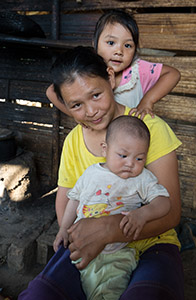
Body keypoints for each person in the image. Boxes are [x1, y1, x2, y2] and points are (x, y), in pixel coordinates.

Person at [18, 46, 184, 300]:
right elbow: (66, 197)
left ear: (110, 76)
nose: (91, 111)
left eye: (96, 95)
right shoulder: (74, 140)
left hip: (152, 242)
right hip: (90, 244)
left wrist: (109, 229)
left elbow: (171, 213)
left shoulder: (149, 129)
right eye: (76, 105)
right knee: (40, 294)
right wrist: (70, 232)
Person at [53, 115, 171, 299]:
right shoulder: (91, 173)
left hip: (117, 254)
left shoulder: (141, 179)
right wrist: (63, 229)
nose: (130, 163)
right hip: (82, 248)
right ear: (105, 149)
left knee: (109, 292)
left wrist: (143, 214)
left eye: (139, 158)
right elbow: (74, 200)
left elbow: (164, 202)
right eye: (122, 155)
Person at [46, 9, 180, 119]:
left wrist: (147, 101)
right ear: (95, 43)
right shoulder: (88, 71)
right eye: (111, 43)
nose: (119, 51)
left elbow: (173, 74)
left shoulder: (138, 70)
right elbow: (51, 91)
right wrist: (79, 117)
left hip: (131, 144)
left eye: (128, 45)